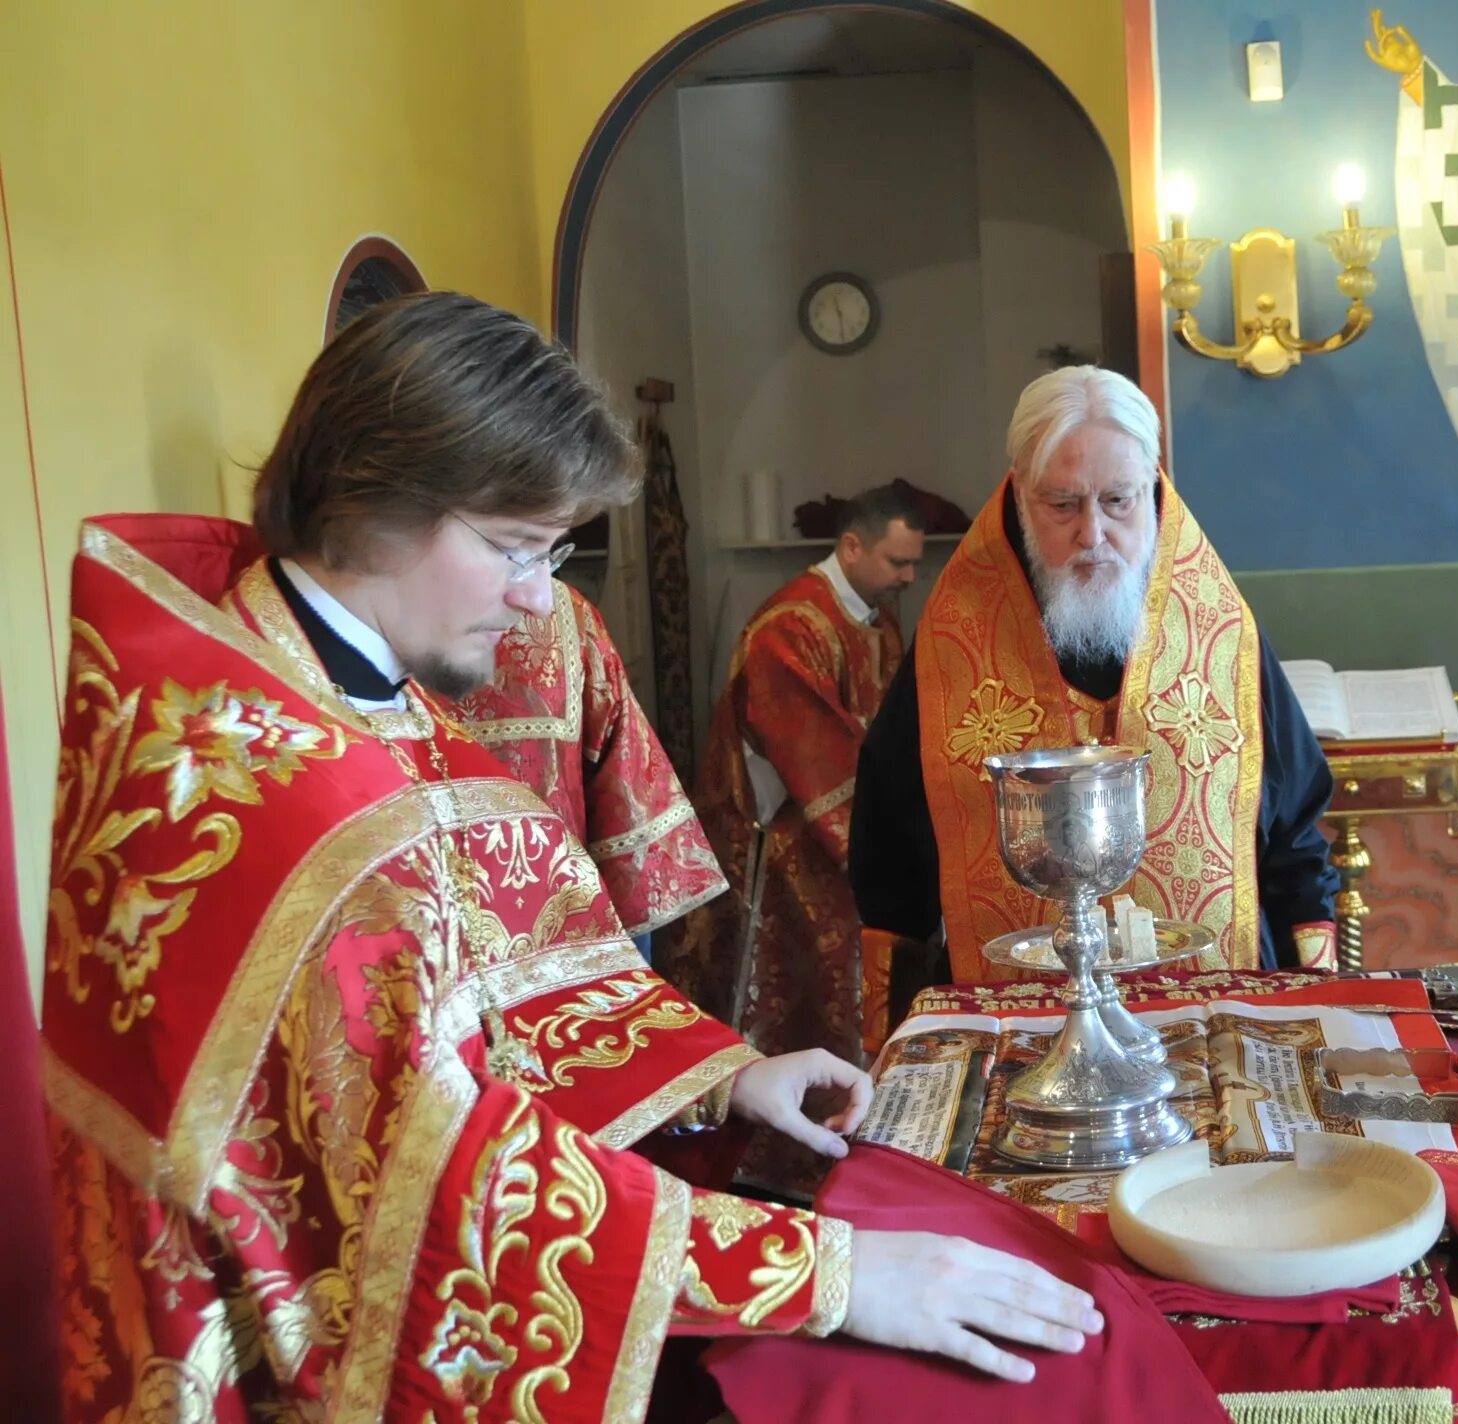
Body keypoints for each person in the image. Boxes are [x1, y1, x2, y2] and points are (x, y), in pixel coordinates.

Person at [41, 293, 1101, 1420]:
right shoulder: (268, 784)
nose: (535, 599)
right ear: (369, 498)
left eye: (550, 554)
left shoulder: (333, 684)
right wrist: (827, 1274)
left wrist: (725, 1077)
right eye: (511, 548)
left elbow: (517, 967)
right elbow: (424, 1185)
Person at [850, 366, 1340, 1047]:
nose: (1093, 533)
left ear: (1155, 487)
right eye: (1062, 505)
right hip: (1018, 1040)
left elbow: (1295, 846)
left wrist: (1317, 1010)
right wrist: (893, 1045)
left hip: (1219, 1032)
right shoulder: (949, 649)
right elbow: (891, 874)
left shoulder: (1222, 635)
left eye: (1118, 501)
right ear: (1019, 494)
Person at [659, 486, 920, 1069]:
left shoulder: (877, 619)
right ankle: (790, 1138)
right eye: (897, 561)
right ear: (851, 547)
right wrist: (894, 842)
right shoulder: (790, 630)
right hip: (778, 840)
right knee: (802, 989)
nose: (909, 576)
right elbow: (820, 756)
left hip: (829, 825)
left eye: (913, 563)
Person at [451, 577, 727, 943]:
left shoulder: (565, 619)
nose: (536, 598)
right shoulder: (562, 614)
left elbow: (625, 823)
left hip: (559, 946)